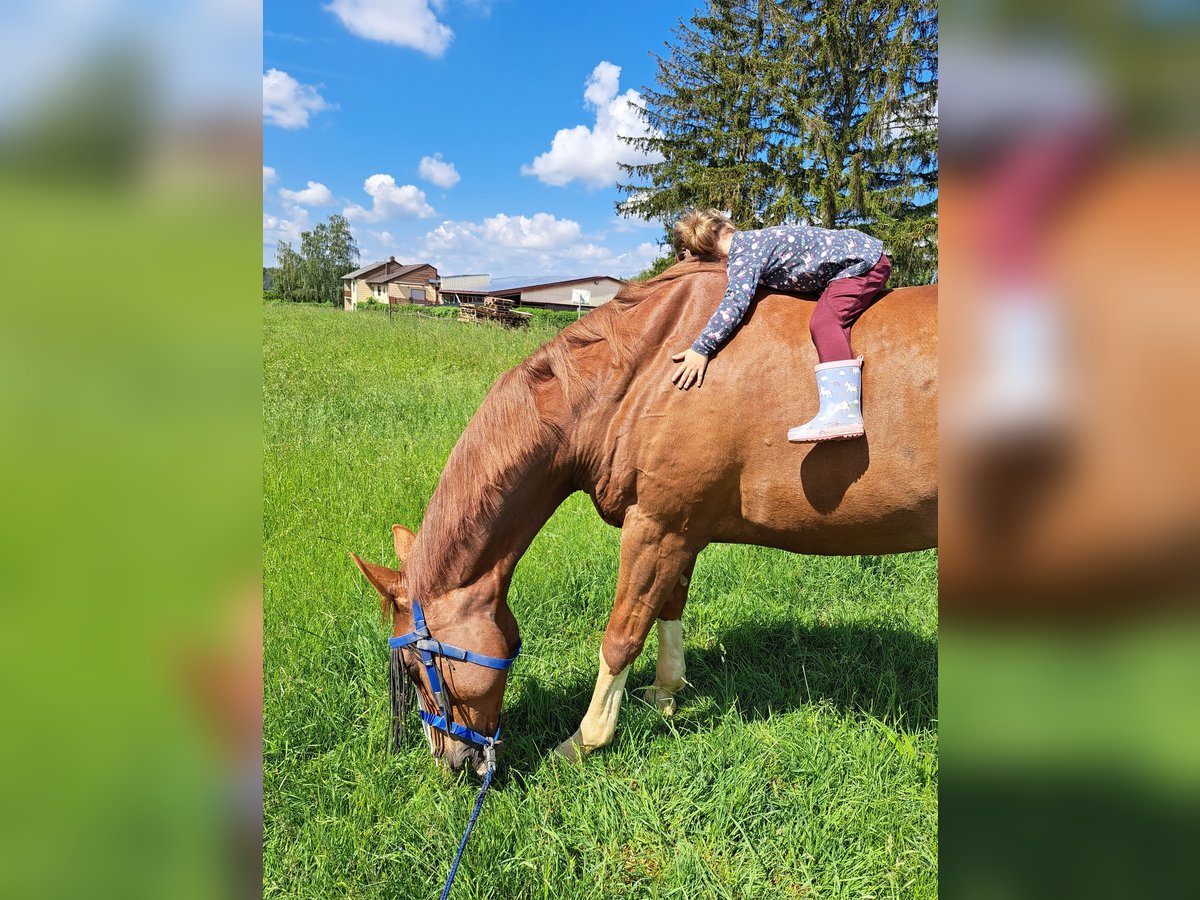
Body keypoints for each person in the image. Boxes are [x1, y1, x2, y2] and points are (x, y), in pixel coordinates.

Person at [669, 209, 891, 442]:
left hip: (861, 265)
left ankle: (842, 412)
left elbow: (735, 303)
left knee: (825, 322)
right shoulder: (753, 242)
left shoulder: (744, 255)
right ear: (725, 226)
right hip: (858, 255)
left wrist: (701, 348)